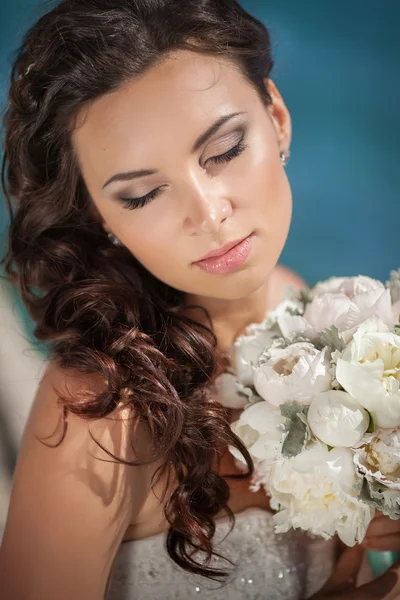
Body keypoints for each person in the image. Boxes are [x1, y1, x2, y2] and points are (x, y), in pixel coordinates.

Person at [0, 1, 399, 599]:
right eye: (141, 195)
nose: (209, 214)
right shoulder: (101, 407)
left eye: (225, 150)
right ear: (99, 214)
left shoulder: (318, 315)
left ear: (279, 117)